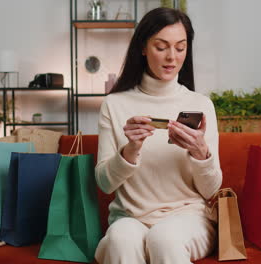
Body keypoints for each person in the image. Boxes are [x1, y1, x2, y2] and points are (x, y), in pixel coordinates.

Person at [94, 7, 222, 264]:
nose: (172, 57)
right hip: (130, 218)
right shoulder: (114, 104)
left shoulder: (201, 104)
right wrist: (130, 150)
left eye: (180, 47)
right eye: (161, 47)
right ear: (143, 47)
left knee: (164, 238)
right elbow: (105, 184)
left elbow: (211, 190)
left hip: (189, 218)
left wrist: (200, 154)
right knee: (121, 239)